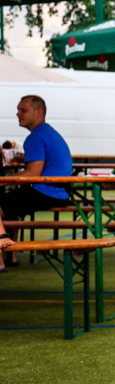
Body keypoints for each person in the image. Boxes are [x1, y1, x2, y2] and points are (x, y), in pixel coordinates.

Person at [0, 96, 73, 271]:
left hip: (46, 192)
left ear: (39, 112)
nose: (18, 114)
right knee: (10, 208)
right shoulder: (47, 133)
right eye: (18, 110)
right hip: (61, 192)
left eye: (23, 110)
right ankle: (10, 255)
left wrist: (2, 181)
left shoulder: (35, 138)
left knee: (3, 203)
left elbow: (33, 173)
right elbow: (45, 161)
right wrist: (24, 158)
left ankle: (1, 259)